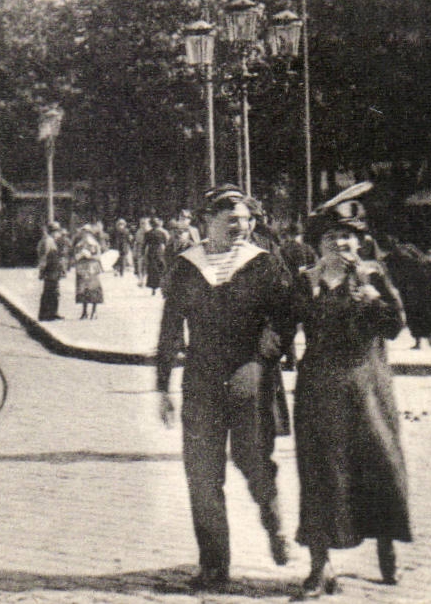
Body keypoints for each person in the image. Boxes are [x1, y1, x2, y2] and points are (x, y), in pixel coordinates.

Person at [155, 184, 294, 590]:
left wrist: (262, 359)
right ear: (207, 222)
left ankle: (274, 522)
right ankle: (214, 565)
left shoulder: (265, 263)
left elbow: (286, 315)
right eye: (230, 219)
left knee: (252, 461)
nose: (240, 226)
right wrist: (163, 385)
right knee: (202, 473)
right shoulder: (185, 267)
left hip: (249, 379)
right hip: (201, 379)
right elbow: (169, 328)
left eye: (246, 219)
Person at [289, 192, 411, 595]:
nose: (340, 246)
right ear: (318, 245)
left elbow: (395, 326)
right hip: (320, 391)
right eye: (331, 239)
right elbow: (281, 328)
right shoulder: (306, 282)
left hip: (369, 387)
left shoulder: (374, 275)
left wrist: (371, 294)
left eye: (347, 239)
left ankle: (386, 547)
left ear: (359, 243)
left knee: (380, 465)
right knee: (321, 474)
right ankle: (319, 565)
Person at [385, 241, 431, 349]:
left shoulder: (398, 255)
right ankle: (428, 339)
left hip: (411, 289)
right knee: (421, 314)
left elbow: (395, 274)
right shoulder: (415, 256)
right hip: (416, 289)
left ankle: (421, 341)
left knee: (414, 314)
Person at [36, 222, 66, 321]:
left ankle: (48, 313)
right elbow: (44, 257)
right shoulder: (49, 241)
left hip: (52, 270)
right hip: (50, 270)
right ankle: (49, 314)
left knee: (50, 291)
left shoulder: (47, 240)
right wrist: (42, 270)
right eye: (57, 231)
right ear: (54, 231)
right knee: (52, 291)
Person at [74, 237, 105, 319]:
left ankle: (94, 311)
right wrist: (80, 255)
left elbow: (99, 256)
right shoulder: (79, 244)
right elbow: (75, 256)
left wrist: (90, 256)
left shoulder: (95, 244)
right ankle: (84, 312)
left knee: (94, 290)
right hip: (83, 270)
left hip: (92, 269)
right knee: (84, 291)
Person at [144, 217, 170, 296]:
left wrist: (144, 254)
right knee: (161, 269)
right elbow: (165, 244)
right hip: (159, 252)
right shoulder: (162, 233)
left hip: (151, 252)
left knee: (152, 270)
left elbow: (145, 245)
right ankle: (162, 287)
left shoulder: (147, 233)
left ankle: (153, 288)